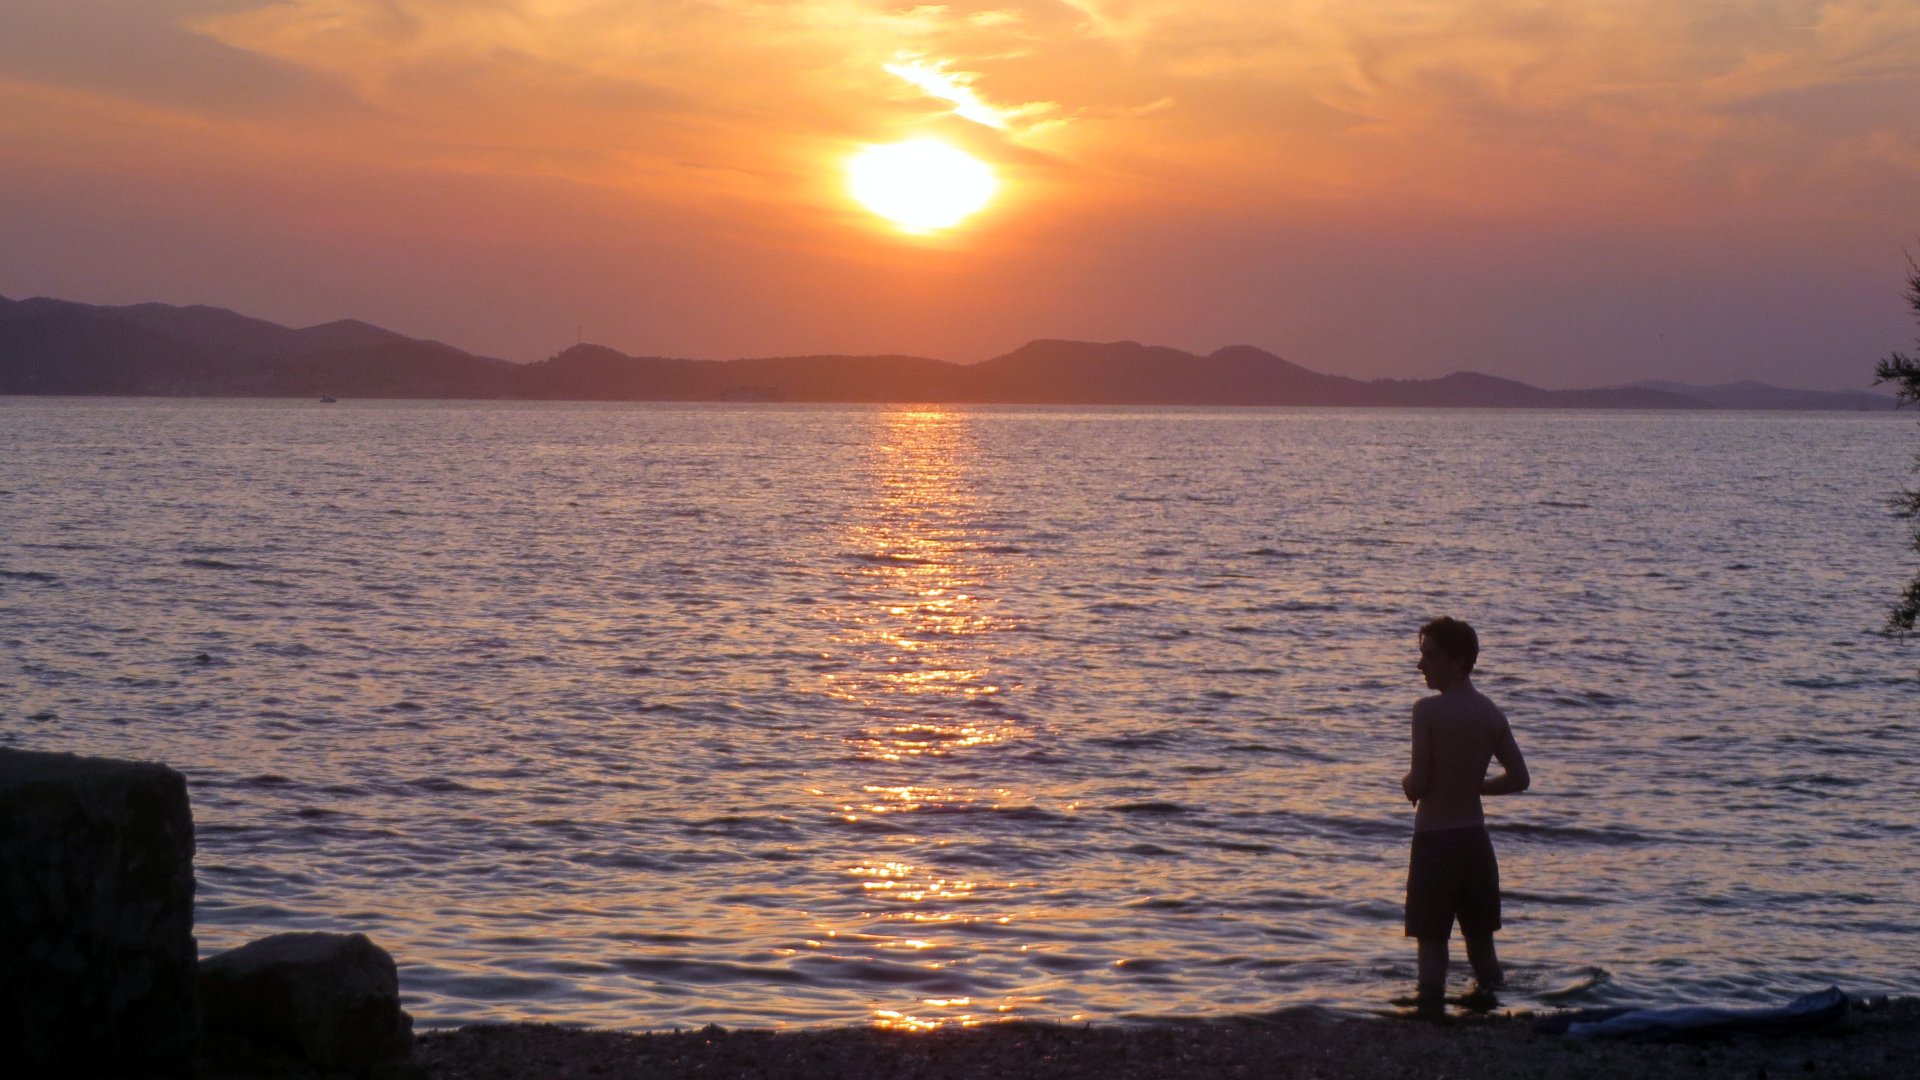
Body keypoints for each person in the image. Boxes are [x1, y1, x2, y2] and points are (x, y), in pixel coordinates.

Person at [1400, 616, 1529, 1005]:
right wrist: (1475, 786)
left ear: (1457, 661)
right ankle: (1492, 1010)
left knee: (1432, 942)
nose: (1421, 664)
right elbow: (1519, 778)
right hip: (1475, 843)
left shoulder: (1427, 711)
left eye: (1430, 655)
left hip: (1435, 842)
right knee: (1482, 945)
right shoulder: (1490, 713)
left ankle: (1429, 1011)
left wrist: (1407, 784)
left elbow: (1420, 781)